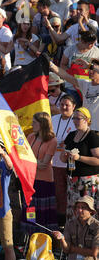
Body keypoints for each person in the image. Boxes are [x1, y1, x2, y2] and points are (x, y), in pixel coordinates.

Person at [52, 195, 98, 260]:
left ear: (91, 211)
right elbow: (66, 249)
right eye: (77, 207)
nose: (79, 210)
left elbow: (94, 252)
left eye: (83, 207)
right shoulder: (70, 224)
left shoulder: (96, 226)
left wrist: (72, 249)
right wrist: (62, 239)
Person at [22, 112, 59, 234]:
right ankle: (29, 234)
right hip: (30, 179)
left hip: (44, 180)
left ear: (42, 124)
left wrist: (30, 160)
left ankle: (43, 236)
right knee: (30, 209)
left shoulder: (52, 140)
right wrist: (33, 161)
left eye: (34, 122)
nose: (32, 124)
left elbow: (44, 164)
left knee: (42, 211)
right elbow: (24, 156)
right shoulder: (31, 136)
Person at [59, 107, 99, 221]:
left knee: (87, 211)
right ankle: (74, 236)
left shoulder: (92, 136)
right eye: (74, 118)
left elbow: (97, 160)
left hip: (88, 181)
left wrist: (79, 157)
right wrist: (64, 155)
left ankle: (90, 236)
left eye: (78, 118)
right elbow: (62, 159)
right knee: (74, 210)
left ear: (86, 120)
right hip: (73, 180)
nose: (75, 121)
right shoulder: (71, 135)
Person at [50, 58, 99, 131]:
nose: (90, 71)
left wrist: (89, 66)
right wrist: (51, 65)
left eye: (93, 69)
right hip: (84, 129)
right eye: (89, 69)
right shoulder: (84, 84)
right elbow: (65, 76)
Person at [51, 95, 77, 225]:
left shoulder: (76, 121)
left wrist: (65, 144)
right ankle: (61, 220)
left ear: (74, 107)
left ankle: (72, 220)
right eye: (62, 104)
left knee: (71, 193)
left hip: (71, 164)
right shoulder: (53, 119)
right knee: (59, 192)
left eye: (67, 105)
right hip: (55, 162)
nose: (64, 107)